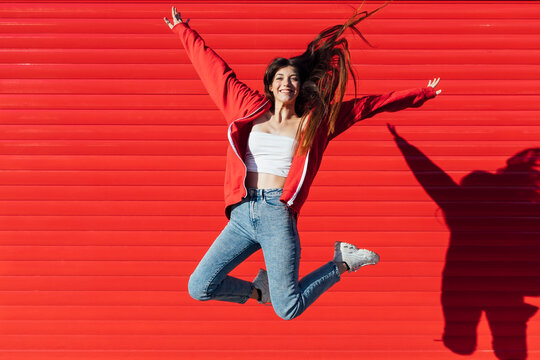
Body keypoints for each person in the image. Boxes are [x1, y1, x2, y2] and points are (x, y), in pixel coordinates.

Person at [163, 4, 441, 320]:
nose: (286, 83)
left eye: (293, 79)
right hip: (242, 213)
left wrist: (419, 94)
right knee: (199, 286)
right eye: (280, 77)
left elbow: (367, 106)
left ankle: (342, 262)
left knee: (288, 309)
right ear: (270, 84)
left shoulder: (315, 122)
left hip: (276, 215)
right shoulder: (247, 107)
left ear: (300, 86)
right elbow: (215, 72)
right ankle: (259, 291)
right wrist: (183, 30)